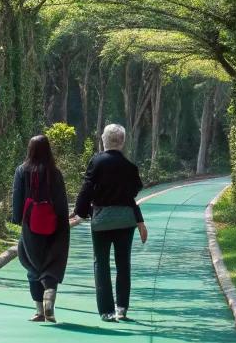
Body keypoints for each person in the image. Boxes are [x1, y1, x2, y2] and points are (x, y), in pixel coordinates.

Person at [71, 123, 148, 322]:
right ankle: (122, 308)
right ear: (122, 142)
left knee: (101, 263)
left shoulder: (96, 162)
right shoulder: (130, 167)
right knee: (123, 263)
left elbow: (87, 188)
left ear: (104, 140)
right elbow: (134, 191)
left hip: (102, 220)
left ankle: (106, 311)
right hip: (125, 221)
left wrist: (79, 212)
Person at [11, 134, 71, 322]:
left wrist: (18, 219)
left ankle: (39, 310)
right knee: (51, 260)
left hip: (31, 225)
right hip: (54, 224)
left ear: (30, 150)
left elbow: (17, 197)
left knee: (31, 262)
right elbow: (61, 200)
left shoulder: (22, 171)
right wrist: (62, 222)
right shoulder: (55, 172)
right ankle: (50, 292)